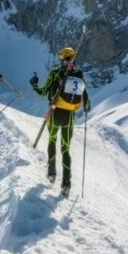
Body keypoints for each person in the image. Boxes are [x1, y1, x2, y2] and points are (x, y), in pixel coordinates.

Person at [30, 47, 90, 195]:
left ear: (62, 58)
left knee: (52, 140)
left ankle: (51, 172)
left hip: (54, 112)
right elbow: (86, 99)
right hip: (69, 116)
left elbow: (43, 92)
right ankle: (66, 184)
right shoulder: (79, 75)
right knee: (65, 148)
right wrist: (86, 107)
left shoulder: (55, 73)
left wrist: (34, 84)